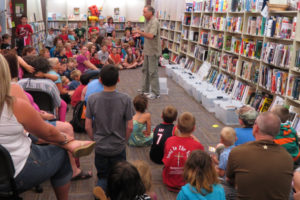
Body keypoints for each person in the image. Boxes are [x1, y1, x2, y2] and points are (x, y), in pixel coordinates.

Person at [0, 54, 95, 200]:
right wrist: (64, 139)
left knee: (32, 135)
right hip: (12, 174)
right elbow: (48, 130)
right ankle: (69, 145)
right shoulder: (12, 104)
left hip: (6, 165)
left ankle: (66, 142)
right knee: (60, 153)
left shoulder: (20, 88)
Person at [85, 65, 135, 191]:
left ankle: (101, 191)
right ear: (118, 80)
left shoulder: (92, 99)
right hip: (118, 146)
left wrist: (94, 138)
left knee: (103, 176)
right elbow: (129, 126)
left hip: (101, 147)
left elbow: (87, 126)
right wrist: (124, 141)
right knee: (119, 176)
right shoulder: (126, 99)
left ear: (100, 80)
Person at [225, 112, 294, 200]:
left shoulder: (237, 151)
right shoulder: (287, 157)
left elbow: (229, 179)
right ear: (277, 132)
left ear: (256, 128)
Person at [162, 112, 204, 192]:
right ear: (194, 128)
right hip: (188, 183)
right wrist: (197, 141)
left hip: (169, 181)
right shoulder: (197, 146)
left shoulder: (169, 140)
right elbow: (202, 158)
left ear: (177, 127)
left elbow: (165, 159)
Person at [133, 6, 161, 99]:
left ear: (150, 13)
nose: (143, 14)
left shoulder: (155, 22)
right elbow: (146, 33)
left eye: (144, 12)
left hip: (153, 51)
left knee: (153, 72)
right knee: (145, 70)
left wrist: (140, 32)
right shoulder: (147, 21)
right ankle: (145, 89)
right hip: (147, 50)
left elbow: (151, 36)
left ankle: (155, 92)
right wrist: (139, 33)